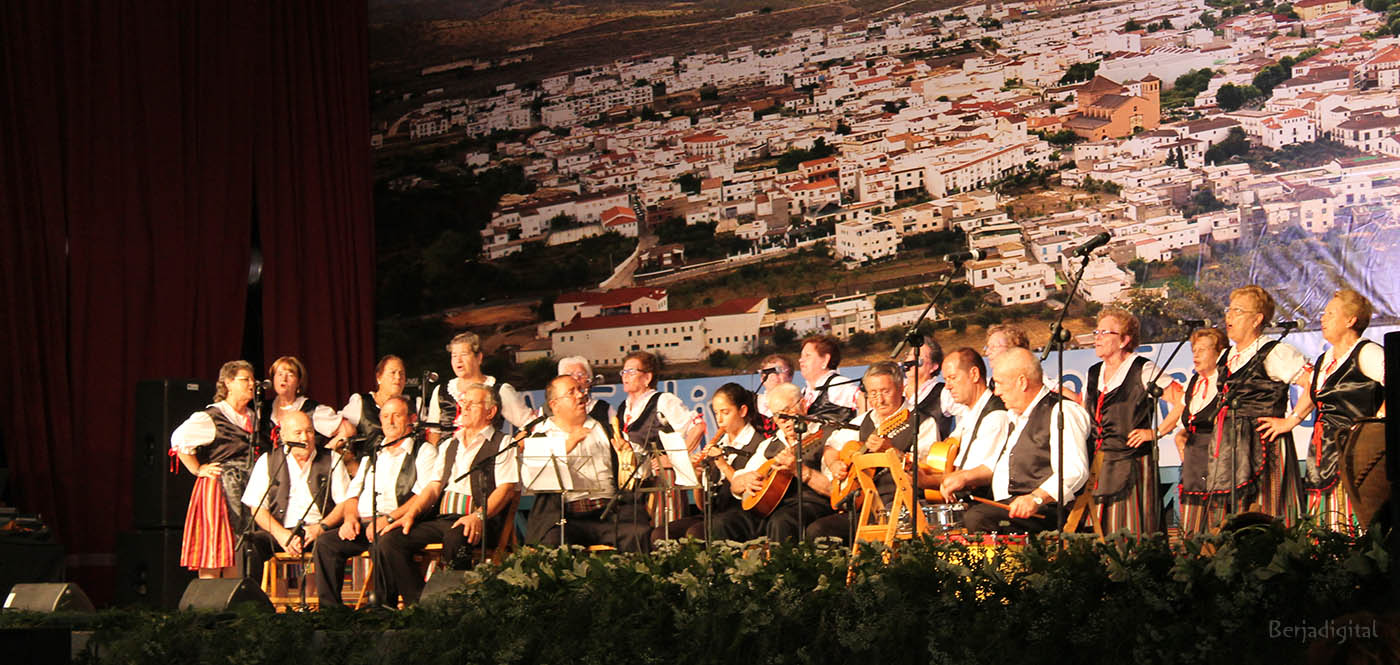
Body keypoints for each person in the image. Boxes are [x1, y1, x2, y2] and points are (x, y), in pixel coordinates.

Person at [375, 384, 520, 606]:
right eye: (464, 403)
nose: (465, 407)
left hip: (480, 520)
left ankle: (456, 607)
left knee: (457, 536)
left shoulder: (503, 443)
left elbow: (506, 489)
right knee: (389, 540)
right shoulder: (449, 444)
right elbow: (433, 488)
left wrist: (477, 516)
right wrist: (410, 514)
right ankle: (420, 605)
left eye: (473, 403)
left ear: (490, 412)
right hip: (443, 519)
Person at [942, 348, 1090, 534]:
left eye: (1000, 384)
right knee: (961, 515)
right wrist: (963, 477)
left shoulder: (1062, 411)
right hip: (1010, 507)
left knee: (977, 518)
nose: (996, 392)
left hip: (1046, 511)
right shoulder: (1015, 418)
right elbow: (995, 465)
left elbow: (1074, 471)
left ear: (1022, 382)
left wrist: (1035, 498)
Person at [311, 396, 437, 608]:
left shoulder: (423, 451)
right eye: (385, 416)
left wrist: (388, 519)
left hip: (397, 522)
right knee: (325, 543)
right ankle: (331, 612)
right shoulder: (374, 454)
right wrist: (350, 519)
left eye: (397, 415)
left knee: (383, 541)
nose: (390, 421)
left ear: (411, 419)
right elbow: (353, 494)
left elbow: (422, 495)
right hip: (365, 523)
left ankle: (382, 607)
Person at [1215, 285, 1311, 527]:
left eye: (1237, 311)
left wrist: (1291, 420)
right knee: (1235, 517)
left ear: (1257, 319)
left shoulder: (1274, 352)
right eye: (1228, 310)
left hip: (1265, 445)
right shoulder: (1226, 356)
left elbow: (1313, 384)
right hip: (1231, 447)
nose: (1229, 316)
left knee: (1270, 512)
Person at [1083, 308, 1181, 536]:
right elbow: (1084, 413)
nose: (1097, 337)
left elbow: (1182, 400)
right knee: (1099, 531)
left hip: (1133, 463)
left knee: (1131, 528)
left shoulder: (1142, 369)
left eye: (1105, 332)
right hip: (1099, 464)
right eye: (1097, 331)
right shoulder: (1093, 372)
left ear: (1124, 340)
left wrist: (1156, 432)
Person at [522, 375, 650, 552]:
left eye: (580, 390)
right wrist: (566, 446)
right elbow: (530, 480)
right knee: (552, 543)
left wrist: (629, 457)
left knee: (637, 532)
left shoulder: (606, 428)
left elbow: (644, 472)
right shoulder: (541, 435)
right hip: (564, 516)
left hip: (609, 512)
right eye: (571, 392)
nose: (580, 395)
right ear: (554, 405)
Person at [1302, 288, 1384, 533]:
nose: (1323, 318)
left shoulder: (1367, 352)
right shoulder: (1324, 360)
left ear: (1350, 320)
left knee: (1350, 517)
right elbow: (1313, 395)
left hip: (1357, 449)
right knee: (1324, 520)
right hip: (1323, 449)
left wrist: (1377, 421)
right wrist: (1292, 419)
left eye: (1330, 313)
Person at [808, 362, 917, 543]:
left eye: (885, 391)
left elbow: (925, 468)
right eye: (873, 393)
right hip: (862, 504)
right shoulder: (860, 422)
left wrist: (891, 451)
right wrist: (834, 463)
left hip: (899, 505)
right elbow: (831, 446)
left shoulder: (918, 421)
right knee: (817, 531)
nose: (879, 400)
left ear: (901, 389)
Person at [171, 360, 260, 578]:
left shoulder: (252, 416)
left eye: (252, 380)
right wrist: (198, 468)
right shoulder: (213, 416)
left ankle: (235, 605)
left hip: (245, 488)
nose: (252, 384)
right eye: (245, 379)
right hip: (219, 490)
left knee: (236, 551)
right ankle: (209, 605)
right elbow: (179, 438)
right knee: (215, 548)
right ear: (229, 383)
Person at [239, 410, 351, 582]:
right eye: (298, 433)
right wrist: (281, 535)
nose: (305, 438)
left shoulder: (332, 459)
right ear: (283, 436)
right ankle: (254, 605)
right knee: (248, 544)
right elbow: (257, 507)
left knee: (329, 544)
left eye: (309, 431)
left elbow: (344, 503)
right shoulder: (268, 461)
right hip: (281, 530)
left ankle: (328, 607)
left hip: (320, 530)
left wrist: (321, 528)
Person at [651, 383, 768, 542]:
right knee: (662, 534)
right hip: (715, 515)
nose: (719, 420)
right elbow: (702, 506)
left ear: (742, 411)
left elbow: (747, 491)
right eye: (716, 413)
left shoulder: (759, 444)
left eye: (725, 413)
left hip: (743, 515)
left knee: (696, 534)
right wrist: (698, 476)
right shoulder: (719, 443)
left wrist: (722, 464)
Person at [728, 382, 834, 541]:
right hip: (769, 508)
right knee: (724, 523)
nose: (784, 420)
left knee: (781, 521)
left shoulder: (825, 436)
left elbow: (833, 489)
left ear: (803, 405)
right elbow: (735, 484)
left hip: (812, 505)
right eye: (777, 415)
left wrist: (801, 471)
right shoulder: (768, 445)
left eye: (787, 411)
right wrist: (745, 481)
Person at [617, 351, 705, 527]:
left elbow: (698, 427)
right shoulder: (623, 407)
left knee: (666, 530)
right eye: (623, 372)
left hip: (664, 479)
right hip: (638, 481)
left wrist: (675, 458)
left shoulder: (663, 401)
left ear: (647, 377)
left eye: (631, 372)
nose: (625, 376)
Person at [1160, 327, 1227, 536]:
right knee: (1192, 527)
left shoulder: (1226, 382)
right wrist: (1168, 434)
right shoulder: (1194, 384)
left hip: (1220, 460)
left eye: (1203, 350)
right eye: (1194, 350)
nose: (1196, 355)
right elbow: (1179, 416)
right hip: (1194, 463)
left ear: (1219, 353)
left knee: (1219, 525)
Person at [918, 348, 1010, 495]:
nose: (947, 386)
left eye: (952, 378)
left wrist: (925, 481)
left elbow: (972, 478)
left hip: (980, 504)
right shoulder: (968, 414)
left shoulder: (994, 416)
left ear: (974, 374)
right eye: (945, 379)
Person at [427, 332, 531, 440]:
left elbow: (530, 423)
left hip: (485, 453)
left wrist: (514, 445)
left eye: (464, 354)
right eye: (454, 356)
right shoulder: (441, 391)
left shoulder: (498, 390)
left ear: (479, 358)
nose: (458, 360)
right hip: (446, 455)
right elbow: (433, 432)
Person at [339, 355, 410, 477]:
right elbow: (339, 443)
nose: (398, 377)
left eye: (401, 374)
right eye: (392, 373)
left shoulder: (412, 407)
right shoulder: (360, 403)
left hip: (403, 477)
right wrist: (353, 466)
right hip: (369, 477)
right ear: (379, 377)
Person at [904, 340, 959, 460]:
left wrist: (952, 442)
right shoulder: (896, 391)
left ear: (934, 367)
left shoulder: (943, 392)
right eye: (909, 355)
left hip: (929, 464)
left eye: (918, 357)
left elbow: (969, 414)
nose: (911, 361)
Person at [798, 335, 859, 422]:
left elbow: (865, 400)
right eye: (801, 356)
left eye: (807, 355)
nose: (800, 360)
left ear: (825, 360)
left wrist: (862, 431)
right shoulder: (804, 392)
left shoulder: (837, 385)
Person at [755, 354, 795, 419]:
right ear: (762, 379)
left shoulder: (798, 402)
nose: (773, 375)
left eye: (778, 371)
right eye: (768, 372)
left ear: (790, 376)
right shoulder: (754, 404)